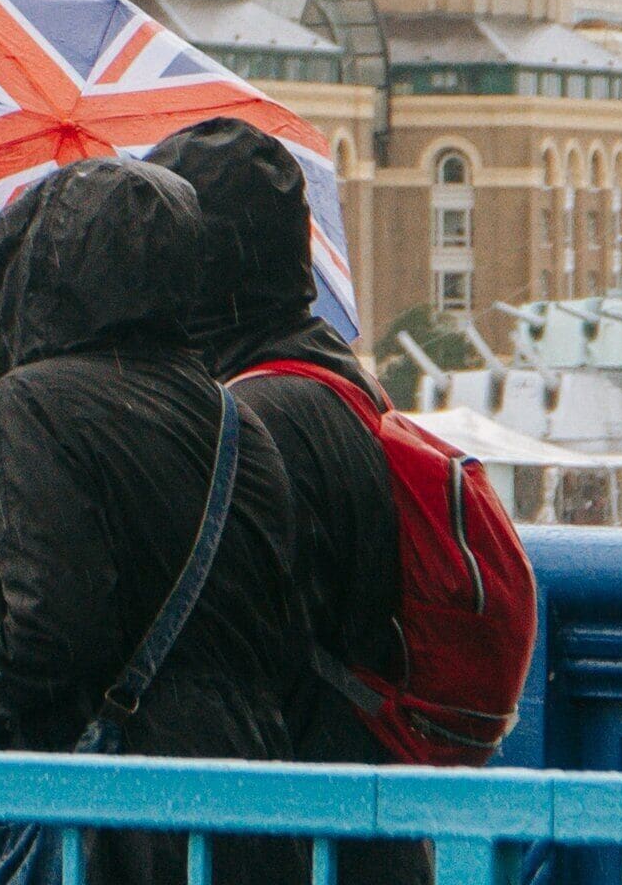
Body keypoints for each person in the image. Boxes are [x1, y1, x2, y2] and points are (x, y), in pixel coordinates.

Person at [0, 157, 306, 885]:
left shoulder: (33, 404)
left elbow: (54, 640)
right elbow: (263, 633)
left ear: (35, 267)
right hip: (249, 814)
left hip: (121, 826)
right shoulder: (237, 421)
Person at [156, 118, 429, 885]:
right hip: (367, 805)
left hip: (280, 823)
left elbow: (221, 639)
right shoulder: (339, 380)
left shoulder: (247, 417)